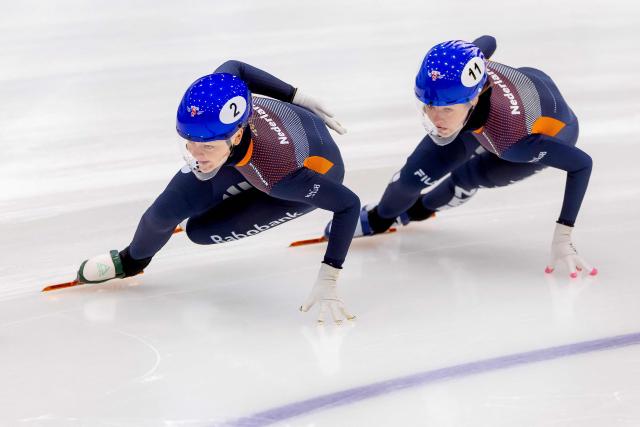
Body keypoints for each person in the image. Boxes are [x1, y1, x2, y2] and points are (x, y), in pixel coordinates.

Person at [76, 61, 360, 323]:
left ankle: (223, 195)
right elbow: (235, 67)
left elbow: (348, 204)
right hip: (260, 142)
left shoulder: (279, 174)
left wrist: (329, 274)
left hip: (305, 170)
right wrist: (295, 95)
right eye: (189, 142)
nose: (197, 154)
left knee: (200, 231)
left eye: (206, 147)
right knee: (161, 215)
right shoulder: (218, 107)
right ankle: (131, 262)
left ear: (236, 135)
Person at [326, 36, 597, 278]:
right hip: (485, 113)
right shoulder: (463, 69)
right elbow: (487, 40)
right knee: (410, 178)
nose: (436, 118)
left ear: (475, 97)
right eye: (429, 105)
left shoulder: (513, 141)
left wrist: (563, 235)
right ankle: (380, 218)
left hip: (545, 131)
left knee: (468, 177)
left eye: (446, 109)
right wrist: (451, 110)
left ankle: (419, 212)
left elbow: (582, 164)